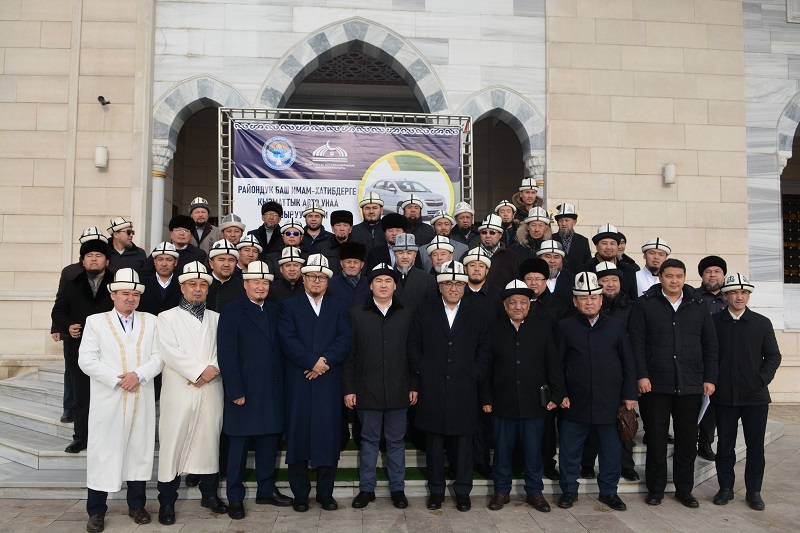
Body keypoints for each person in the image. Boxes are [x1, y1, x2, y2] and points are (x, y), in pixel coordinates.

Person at [629, 258, 718, 508]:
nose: (674, 281)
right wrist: (641, 375)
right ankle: (655, 490)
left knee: (687, 442)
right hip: (655, 385)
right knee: (656, 440)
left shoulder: (698, 305)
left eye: (679, 276)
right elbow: (636, 343)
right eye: (669, 276)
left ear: (685, 277)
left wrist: (710, 378)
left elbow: (710, 344)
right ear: (660, 277)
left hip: (690, 384)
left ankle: (684, 490)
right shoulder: (645, 304)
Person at [77, 269, 162, 533]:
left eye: (135, 294)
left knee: (139, 451)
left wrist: (139, 375)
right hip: (108, 398)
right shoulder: (95, 322)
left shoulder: (151, 321)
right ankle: (96, 511)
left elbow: (159, 356)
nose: (130, 298)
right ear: (113, 294)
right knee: (104, 453)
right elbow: (86, 360)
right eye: (125, 293)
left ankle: (137, 506)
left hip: (140, 394)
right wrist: (118, 379)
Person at [408, 261, 491, 512]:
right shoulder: (424, 310)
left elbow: (484, 349)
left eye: (458, 284)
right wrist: (424, 370)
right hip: (432, 387)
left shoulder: (478, 313)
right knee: (434, 444)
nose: (453, 288)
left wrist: (475, 373)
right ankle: (436, 491)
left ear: (464, 286)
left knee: (464, 444)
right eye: (448, 283)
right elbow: (413, 344)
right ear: (439, 286)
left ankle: (463, 492)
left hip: (465, 388)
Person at [555, 271, 638, 512]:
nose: (589, 302)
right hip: (574, 402)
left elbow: (628, 363)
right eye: (583, 298)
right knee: (570, 451)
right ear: (575, 301)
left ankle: (609, 492)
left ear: (601, 300)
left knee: (611, 452)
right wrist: (561, 393)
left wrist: (630, 394)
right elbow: (556, 365)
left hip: (610, 403)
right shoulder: (564, 327)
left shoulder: (616, 327)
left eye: (593, 297)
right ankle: (569, 490)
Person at [218, 261, 293, 520]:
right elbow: (227, 355)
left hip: (271, 390)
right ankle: (235, 497)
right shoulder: (231, 311)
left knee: (268, 443)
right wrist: (235, 390)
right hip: (244, 391)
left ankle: (266, 490)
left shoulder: (275, 310)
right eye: (255, 282)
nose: (260, 287)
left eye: (264, 283)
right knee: (238, 448)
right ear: (246, 284)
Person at [278, 254, 353, 512]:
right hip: (299, 380)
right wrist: (311, 362)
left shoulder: (339, 307)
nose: (316, 281)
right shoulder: (289, 306)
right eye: (311, 276)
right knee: (298, 437)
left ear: (328, 281)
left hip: (328, 380)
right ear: (304, 279)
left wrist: (324, 362)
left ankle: (325, 494)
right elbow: (287, 339)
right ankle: (300, 494)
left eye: (321, 277)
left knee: (327, 436)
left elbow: (345, 338)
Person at [481, 279, 563, 513]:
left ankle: (535, 492)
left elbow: (553, 364)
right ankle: (501, 491)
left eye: (523, 302)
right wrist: (486, 398)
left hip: (534, 403)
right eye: (513, 302)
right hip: (502, 402)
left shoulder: (542, 328)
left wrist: (557, 394)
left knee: (534, 452)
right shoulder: (494, 329)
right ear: (505, 305)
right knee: (502, 451)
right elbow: (486, 368)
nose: (518, 306)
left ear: (529, 305)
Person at [155, 261, 227, 525]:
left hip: (211, 387)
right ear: (182, 287)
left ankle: (209, 494)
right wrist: (198, 371)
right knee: (173, 443)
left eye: (202, 285)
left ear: (208, 289)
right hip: (180, 389)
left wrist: (211, 370)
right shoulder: (166, 317)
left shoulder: (216, 318)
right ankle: (167, 502)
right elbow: (169, 350)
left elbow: (224, 349)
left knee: (209, 441)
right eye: (192, 284)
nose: (197, 289)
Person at [343, 263, 416, 510]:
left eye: (388, 281)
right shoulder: (356, 314)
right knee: (369, 441)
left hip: (399, 389)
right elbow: (350, 356)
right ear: (371, 285)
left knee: (396, 441)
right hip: (367, 390)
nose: (383, 285)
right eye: (378, 280)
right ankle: (367, 489)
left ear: (395, 285)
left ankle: (398, 489)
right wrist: (349, 389)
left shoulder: (408, 313)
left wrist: (414, 385)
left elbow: (413, 353)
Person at [711, 273, 781, 511]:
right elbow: (708, 354)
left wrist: (761, 379)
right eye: (734, 292)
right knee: (724, 446)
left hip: (755, 397)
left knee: (755, 446)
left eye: (744, 293)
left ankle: (754, 491)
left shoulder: (762, 323)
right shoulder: (714, 322)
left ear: (749, 296)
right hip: (724, 396)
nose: (739, 297)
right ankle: (725, 488)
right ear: (725, 295)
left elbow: (773, 356)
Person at [51, 238, 115, 453]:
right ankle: (80, 438)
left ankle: (107, 438)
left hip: (111, 349)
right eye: (89, 256)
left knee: (108, 395)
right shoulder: (73, 284)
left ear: (107, 261)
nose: (94, 259)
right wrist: (67, 326)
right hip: (79, 348)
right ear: (83, 261)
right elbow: (58, 311)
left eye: (98, 256)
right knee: (81, 395)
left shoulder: (117, 284)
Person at [696, 255, 729, 461]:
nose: (712, 275)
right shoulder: (693, 297)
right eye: (708, 271)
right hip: (696, 358)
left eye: (717, 271)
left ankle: (705, 443)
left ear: (723, 275)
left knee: (713, 405)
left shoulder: (730, 297)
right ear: (702, 275)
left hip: (722, 360)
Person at [579, 223, 638, 299]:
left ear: (617, 246)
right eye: (604, 243)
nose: (608, 247)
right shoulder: (583, 270)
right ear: (596, 246)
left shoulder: (629, 271)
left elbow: (633, 300)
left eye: (612, 243)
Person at [141, 215, 207, 277]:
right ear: (171, 234)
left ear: (191, 235)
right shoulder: (160, 250)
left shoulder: (200, 254)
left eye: (186, 231)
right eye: (177, 230)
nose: (181, 233)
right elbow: (146, 274)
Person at [391, 233, 438, 312]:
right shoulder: (386, 277)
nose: (405, 257)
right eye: (400, 253)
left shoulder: (427, 279)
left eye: (409, 253)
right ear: (395, 255)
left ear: (415, 255)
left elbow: (431, 309)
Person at [138, 242, 182, 315]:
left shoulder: (182, 285)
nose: (164, 264)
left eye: (169, 260)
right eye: (160, 259)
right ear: (155, 262)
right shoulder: (142, 284)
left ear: (176, 262)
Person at [477, 214, 518, 288]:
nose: (488, 236)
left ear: (500, 235)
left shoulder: (511, 257)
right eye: (484, 232)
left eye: (492, 232)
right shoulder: (469, 255)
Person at [327, 241, 370, 309]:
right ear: (341, 263)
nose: (352, 266)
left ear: (362, 265)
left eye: (355, 262)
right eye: (348, 262)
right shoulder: (330, 284)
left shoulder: (369, 284)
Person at [206, 239, 246, 312]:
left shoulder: (243, 287)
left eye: (231, 260)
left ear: (236, 263)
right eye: (221, 260)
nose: (226, 264)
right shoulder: (202, 285)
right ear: (211, 263)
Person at [552, 203, 591, 272]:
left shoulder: (582, 241)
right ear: (557, 223)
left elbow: (588, 264)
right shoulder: (551, 239)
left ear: (574, 222)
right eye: (560, 221)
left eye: (567, 220)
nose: (564, 224)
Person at [537, 239, 572, 305]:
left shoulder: (572, 279)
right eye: (548, 256)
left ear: (562, 261)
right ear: (539, 259)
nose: (552, 261)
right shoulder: (530, 280)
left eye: (556, 257)